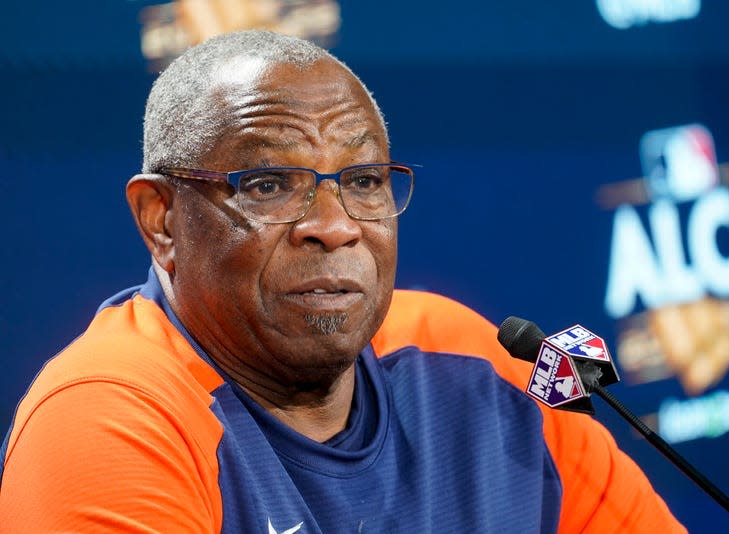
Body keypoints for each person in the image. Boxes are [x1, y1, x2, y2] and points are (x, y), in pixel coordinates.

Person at [0, 31, 685, 533]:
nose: (335, 225)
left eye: (362, 181)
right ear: (162, 221)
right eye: (267, 184)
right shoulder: (107, 422)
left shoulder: (473, 357)